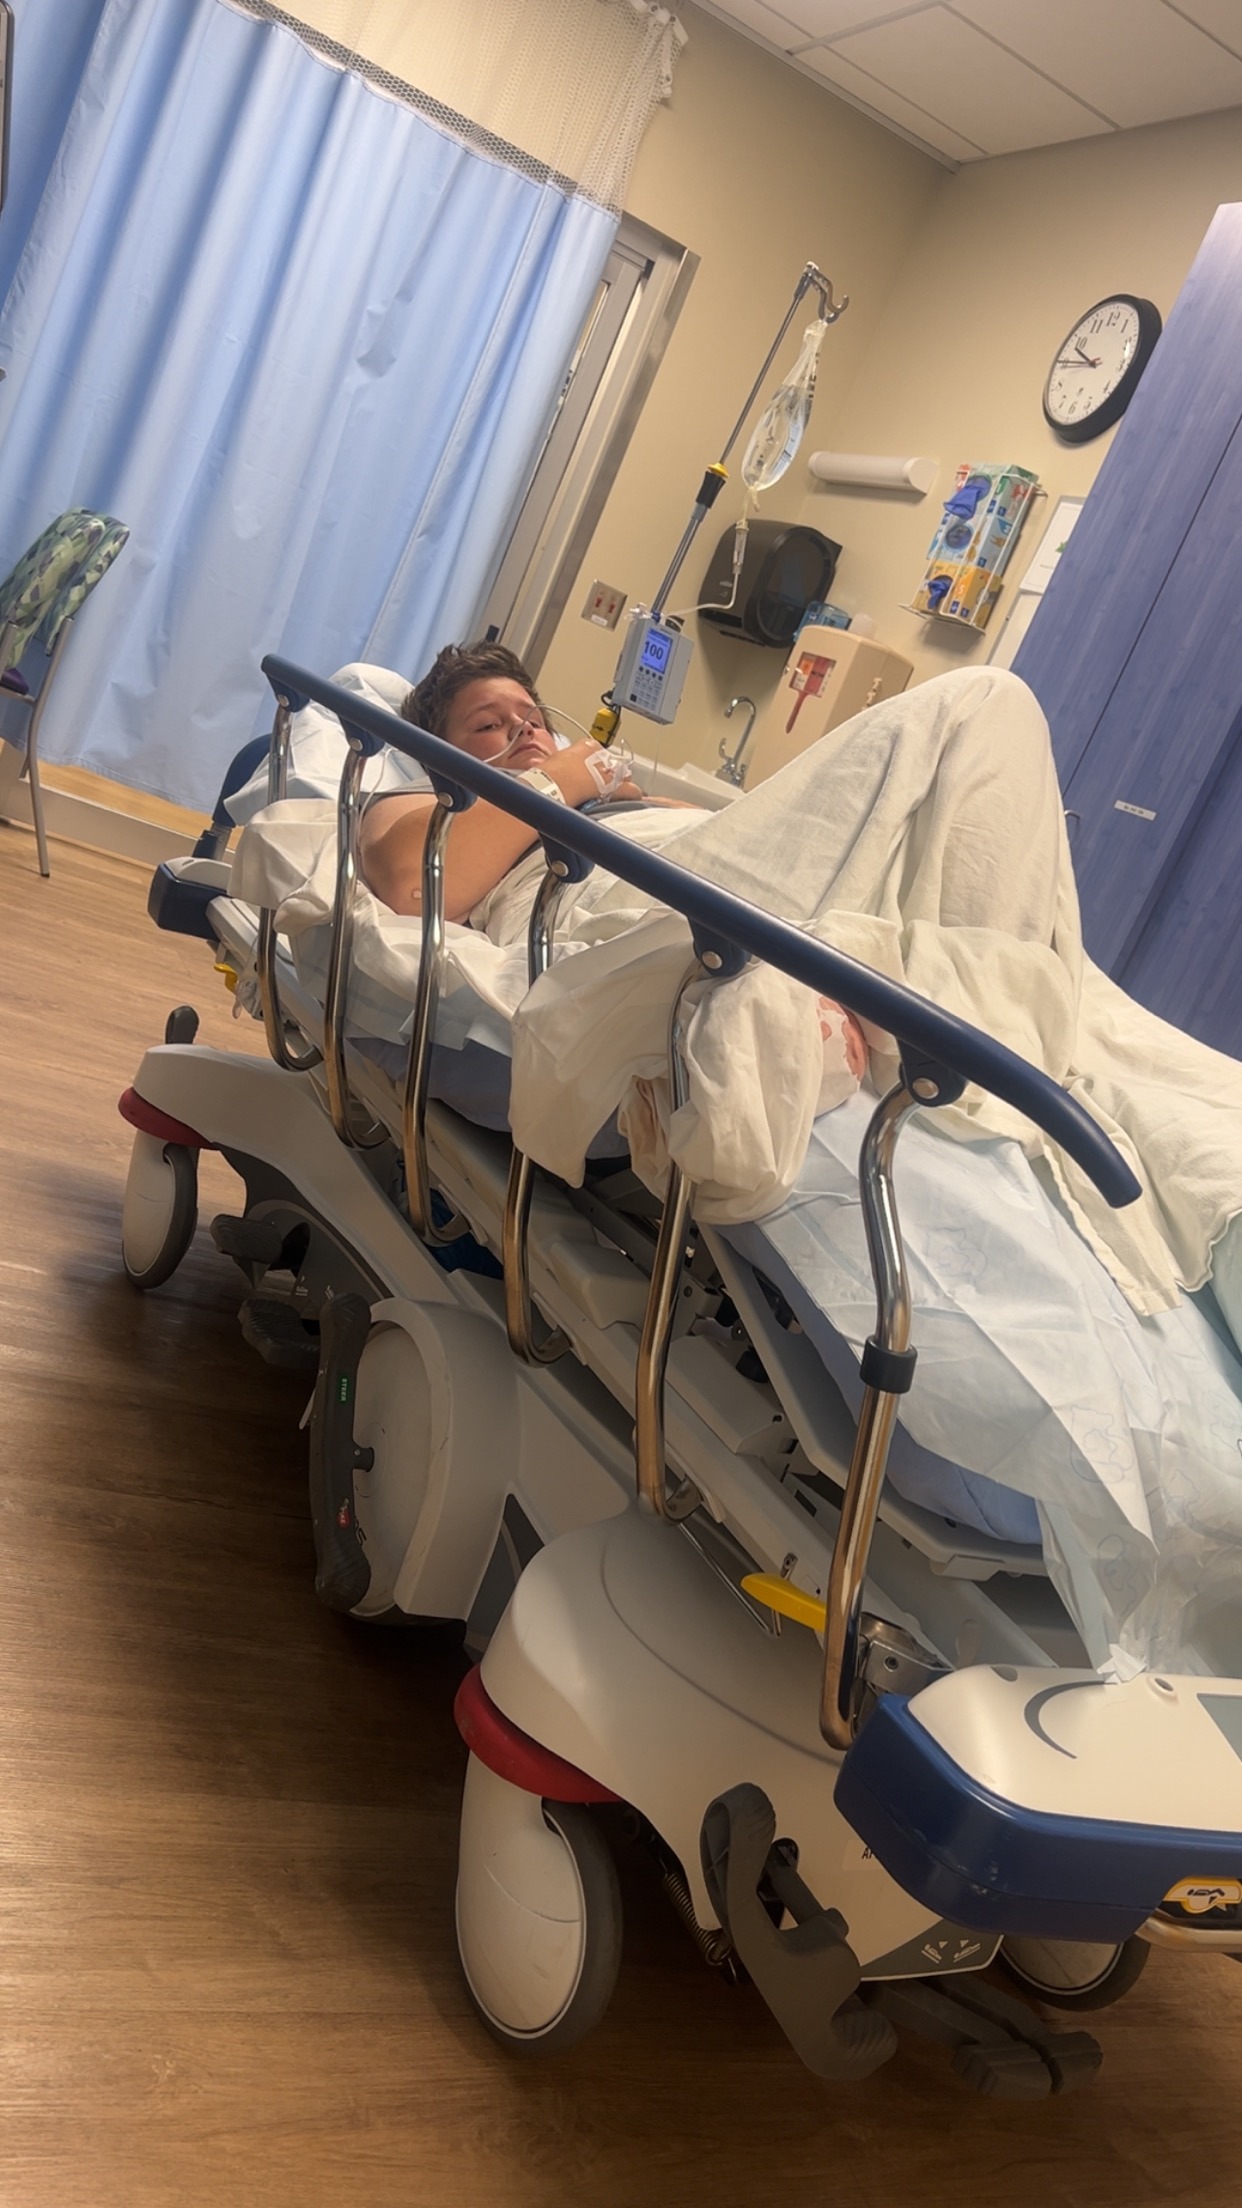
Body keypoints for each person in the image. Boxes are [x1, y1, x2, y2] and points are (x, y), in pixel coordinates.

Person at [359, 639, 675, 927]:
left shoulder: (613, 795)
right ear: (439, 756)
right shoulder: (425, 795)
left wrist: (635, 798)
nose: (523, 728)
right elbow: (413, 885)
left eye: (535, 721)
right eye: (488, 725)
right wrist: (564, 779)